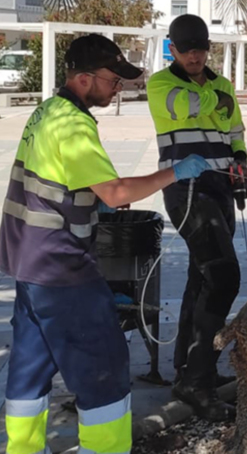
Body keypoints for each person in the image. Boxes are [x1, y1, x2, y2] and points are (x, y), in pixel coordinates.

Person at [0, 34, 210, 454]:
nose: (118, 89)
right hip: (63, 270)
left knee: (29, 370)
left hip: (28, 266)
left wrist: (94, 204)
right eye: (113, 81)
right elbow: (115, 191)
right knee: (104, 370)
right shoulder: (73, 123)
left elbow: (56, 181)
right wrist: (175, 172)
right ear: (82, 79)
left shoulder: (47, 112)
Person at [146, 14, 247, 421]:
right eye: (187, 49)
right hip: (186, 190)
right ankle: (199, 379)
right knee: (224, 277)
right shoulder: (161, 84)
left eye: (201, 49)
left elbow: (235, 128)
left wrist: (240, 160)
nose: (195, 56)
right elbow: (185, 107)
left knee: (201, 277)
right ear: (173, 49)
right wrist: (217, 99)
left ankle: (187, 371)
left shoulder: (222, 85)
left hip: (221, 186)